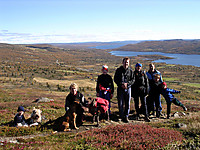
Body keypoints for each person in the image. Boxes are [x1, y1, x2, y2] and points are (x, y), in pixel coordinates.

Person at [114, 57, 135, 122]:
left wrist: (127, 84)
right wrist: (121, 84)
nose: (126, 63)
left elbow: (133, 79)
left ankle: (126, 116)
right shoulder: (118, 70)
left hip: (128, 89)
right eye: (125, 62)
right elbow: (115, 79)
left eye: (127, 62)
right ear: (122, 62)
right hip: (120, 89)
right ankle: (121, 116)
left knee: (127, 103)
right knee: (120, 103)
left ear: (129, 63)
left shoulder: (131, 71)